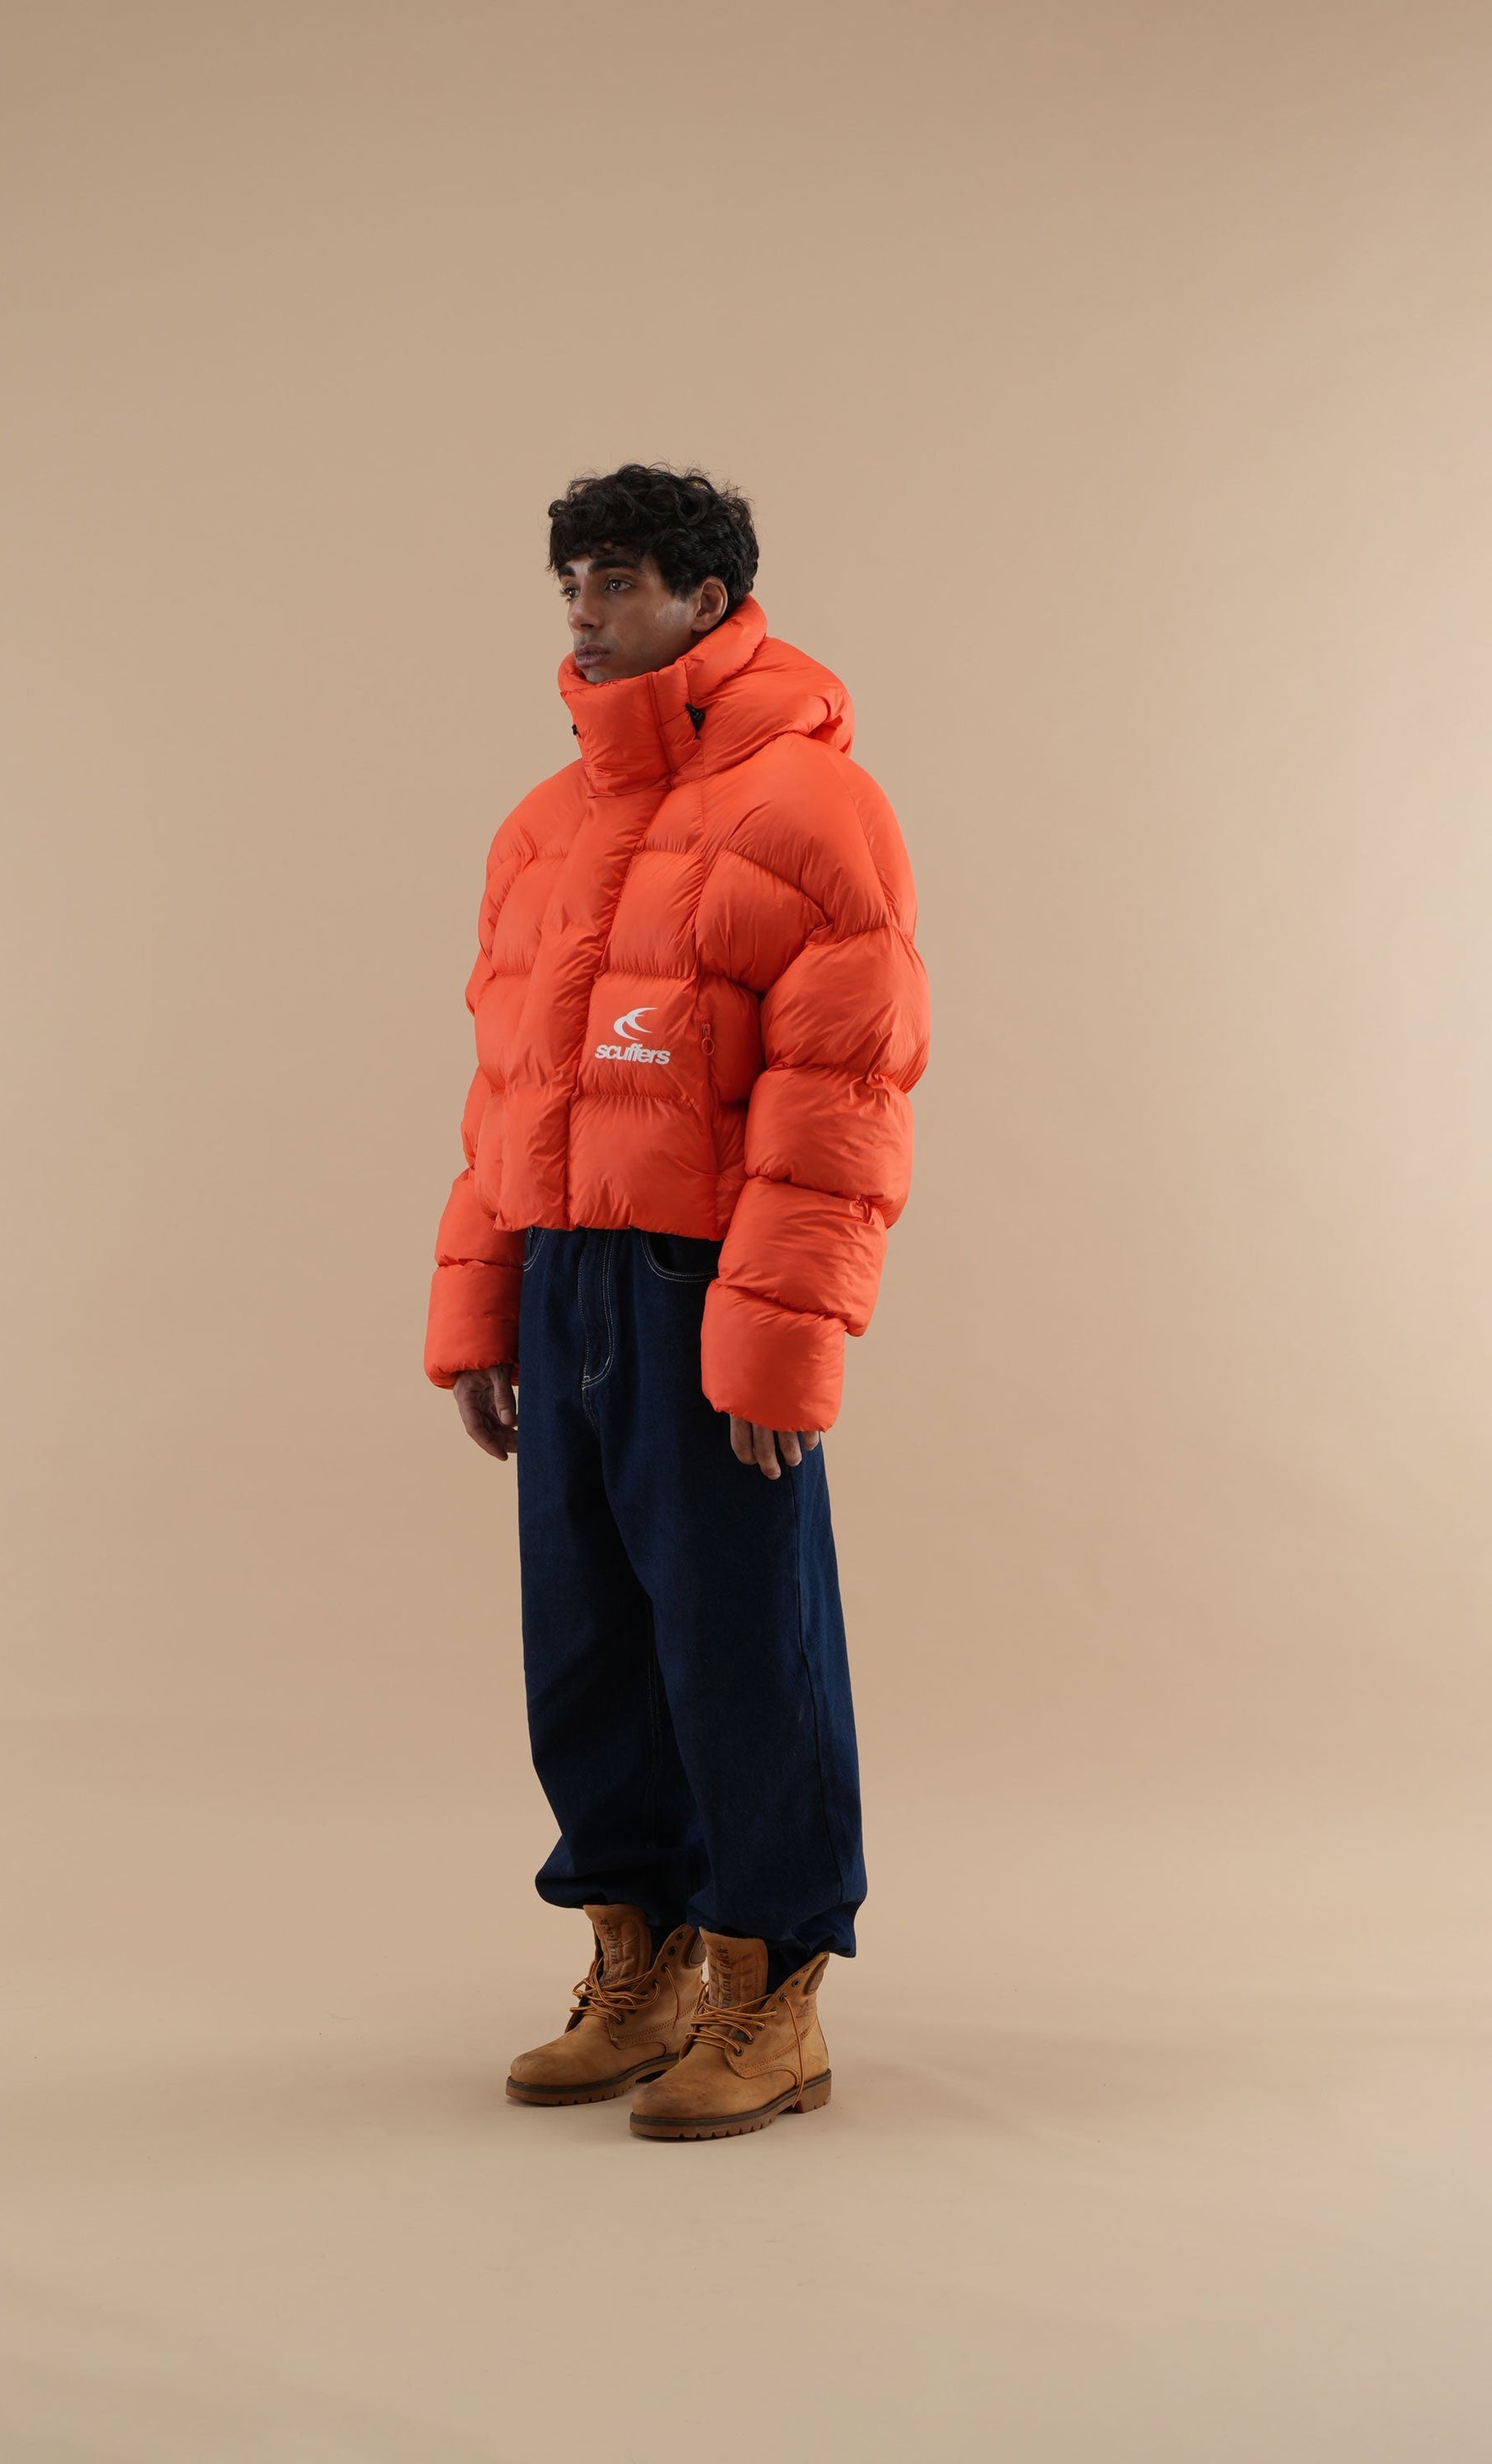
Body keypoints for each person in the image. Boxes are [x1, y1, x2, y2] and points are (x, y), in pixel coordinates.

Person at [424, 465, 928, 2142]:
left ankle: (770, 1992)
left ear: (706, 599)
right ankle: (635, 1965)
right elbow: (506, 1089)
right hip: (563, 1271)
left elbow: (841, 1089)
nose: (583, 609)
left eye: (619, 579)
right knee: (584, 1645)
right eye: (570, 579)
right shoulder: (542, 825)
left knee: (736, 1641)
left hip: (706, 1280)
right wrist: (482, 1304)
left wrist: (783, 1337)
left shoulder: (812, 805)